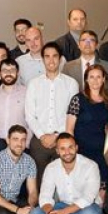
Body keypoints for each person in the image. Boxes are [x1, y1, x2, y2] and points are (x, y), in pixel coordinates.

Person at [29, 132, 102, 214]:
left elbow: (88, 197)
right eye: (62, 148)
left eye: (70, 147)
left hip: (87, 207)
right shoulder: (51, 168)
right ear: (57, 151)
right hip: (63, 206)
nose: (67, 152)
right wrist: (50, 213)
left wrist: (65, 212)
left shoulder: (90, 165)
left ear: (76, 148)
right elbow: (45, 196)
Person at [25, 42, 79, 186]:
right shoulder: (33, 84)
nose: (51, 60)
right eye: (47, 56)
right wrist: (42, 136)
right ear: (43, 59)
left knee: (64, 180)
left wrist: (56, 136)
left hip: (63, 139)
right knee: (39, 180)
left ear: (60, 59)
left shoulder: (71, 83)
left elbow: (72, 114)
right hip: (39, 139)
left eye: (55, 56)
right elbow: (29, 115)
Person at [66, 64, 108, 206]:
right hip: (82, 151)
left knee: (102, 186)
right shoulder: (77, 100)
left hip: (101, 152)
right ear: (86, 79)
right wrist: (73, 152)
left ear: (103, 79)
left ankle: (98, 213)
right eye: (91, 77)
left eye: (98, 77)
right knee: (83, 188)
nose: (95, 80)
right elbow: (69, 129)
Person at [62, 30, 108, 102]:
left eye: (91, 40)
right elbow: (64, 92)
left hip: (100, 106)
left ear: (96, 45)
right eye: (84, 40)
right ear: (78, 44)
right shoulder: (68, 67)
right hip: (75, 107)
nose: (87, 43)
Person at [0, 60, 28, 155]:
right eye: (5, 70)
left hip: (19, 140)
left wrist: (27, 142)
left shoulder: (26, 92)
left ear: (17, 73)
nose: (8, 73)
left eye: (12, 70)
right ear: (0, 73)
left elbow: (31, 118)